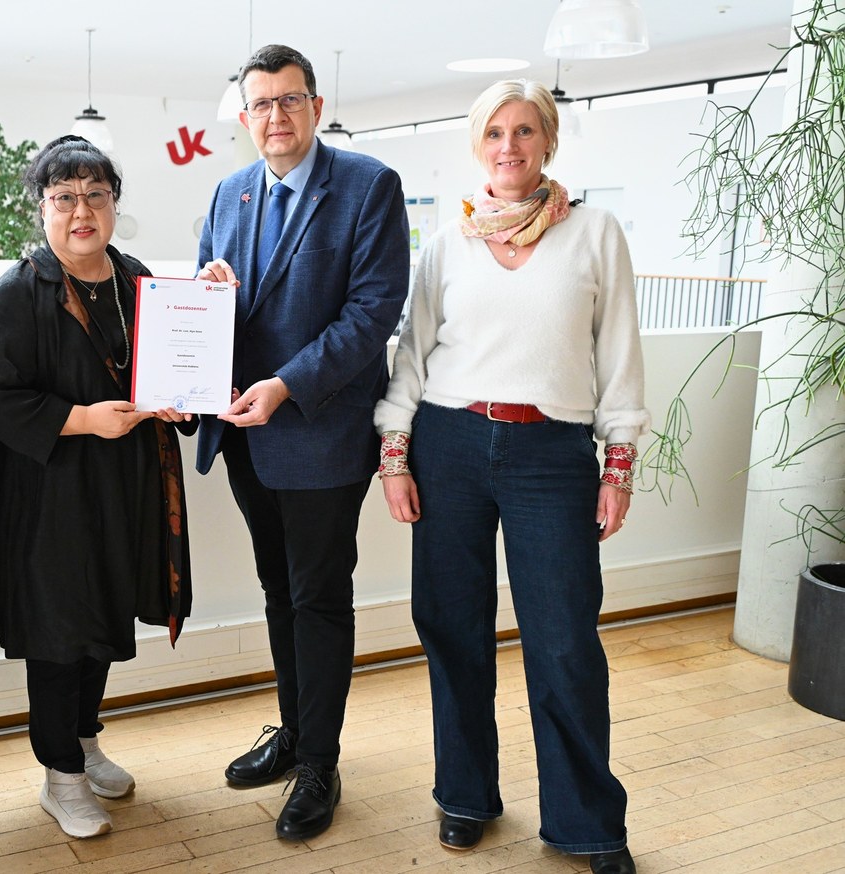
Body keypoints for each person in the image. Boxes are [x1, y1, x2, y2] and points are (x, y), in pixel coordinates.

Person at [374, 79, 647, 874]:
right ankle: (463, 794)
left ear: (547, 143)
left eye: (524, 131)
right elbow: (412, 354)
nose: (508, 145)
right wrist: (396, 453)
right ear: (476, 144)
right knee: (452, 630)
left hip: (550, 454)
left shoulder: (595, 233)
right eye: (493, 131)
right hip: (447, 444)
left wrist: (618, 464)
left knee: (563, 643)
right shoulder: (447, 241)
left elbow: (621, 356)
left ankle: (585, 823)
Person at [195, 44, 411, 841]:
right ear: (243, 115)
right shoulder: (229, 192)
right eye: (259, 104)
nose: (274, 117)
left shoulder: (366, 186)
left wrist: (284, 384)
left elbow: (370, 315)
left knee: (318, 596)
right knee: (277, 591)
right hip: (244, 433)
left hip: (317, 432)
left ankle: (320, 761)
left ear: (315, 108)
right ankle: (291, 732)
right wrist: (209, 301)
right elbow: (207, 301)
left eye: (289, 101)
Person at [0, 135, 194, 840]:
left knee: (101, 617)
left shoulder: (136, 280)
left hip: (121, 486)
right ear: (40, 207)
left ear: (113, 206)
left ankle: (86, 742)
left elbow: (164, 367)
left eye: (95, 195)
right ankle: (58, 774)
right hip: (52, 496)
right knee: (58, 630)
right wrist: (81, 419)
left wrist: (179, 397)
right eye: (64, 196)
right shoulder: (19, 292)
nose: (80, 211)